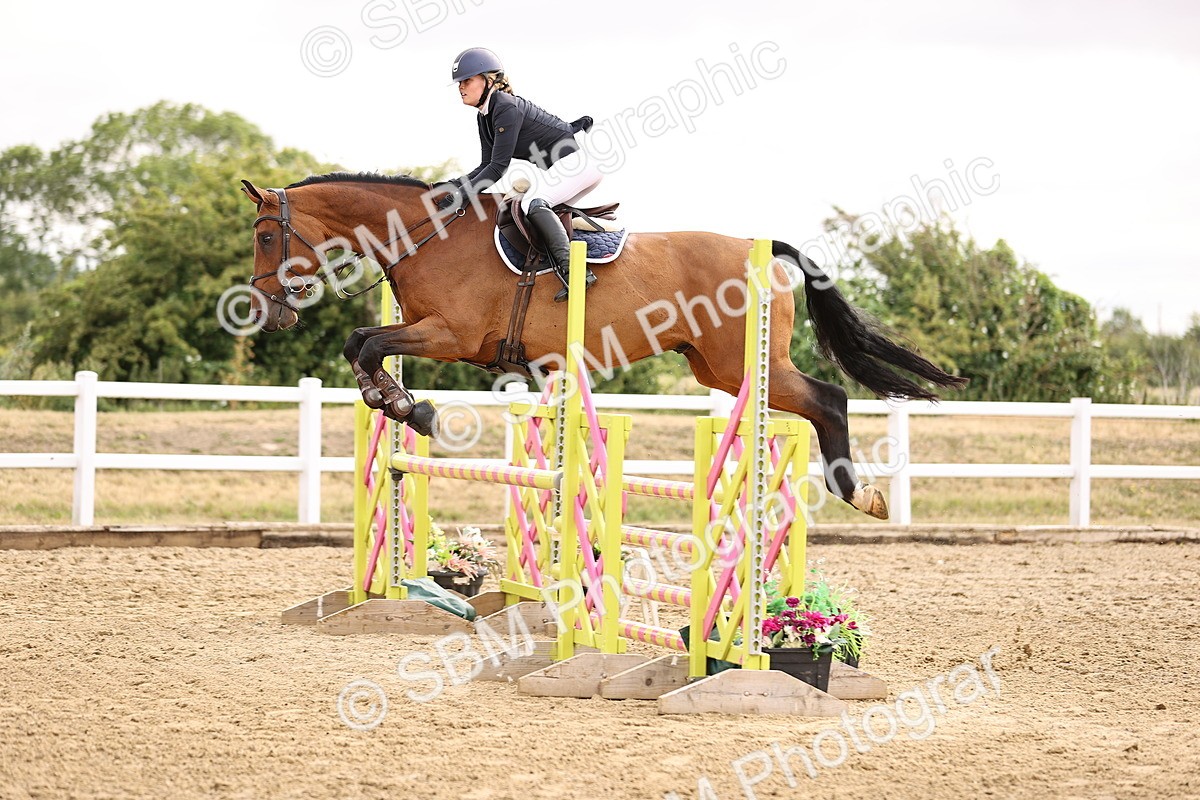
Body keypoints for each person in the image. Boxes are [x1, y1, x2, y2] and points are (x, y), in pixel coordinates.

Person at [437, 47, 601, 301]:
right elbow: (485, 165)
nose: (461, 87)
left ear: (488, 80)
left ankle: (576, 275)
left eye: (467, 80)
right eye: (460, 82)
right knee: (530, 207)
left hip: (576, 166)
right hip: (563, 168)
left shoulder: (504, 107)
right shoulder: (485, 115)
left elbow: (497, 169)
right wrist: (452, 186)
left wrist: (463, 195)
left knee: (532, 203)